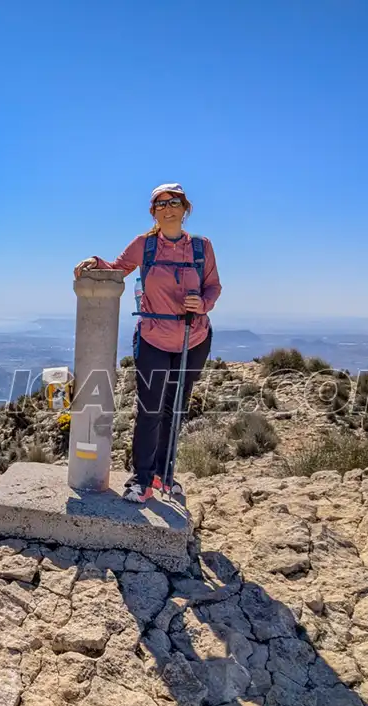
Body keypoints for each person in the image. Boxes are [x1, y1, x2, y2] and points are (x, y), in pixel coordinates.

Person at [74, 182, 222, 502]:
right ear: (153, 212)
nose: (168, 208)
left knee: (175, 409)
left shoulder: (202, 247)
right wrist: (93, 261)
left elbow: (213, 286)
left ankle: (164, 476)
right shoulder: (145, 245)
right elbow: (118, 268)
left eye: (174, 202)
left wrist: (204, 304)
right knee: (150, 410)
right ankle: (141, 478)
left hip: (192, 339)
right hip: (153, 338)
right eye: (160, 203)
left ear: (186, 208)